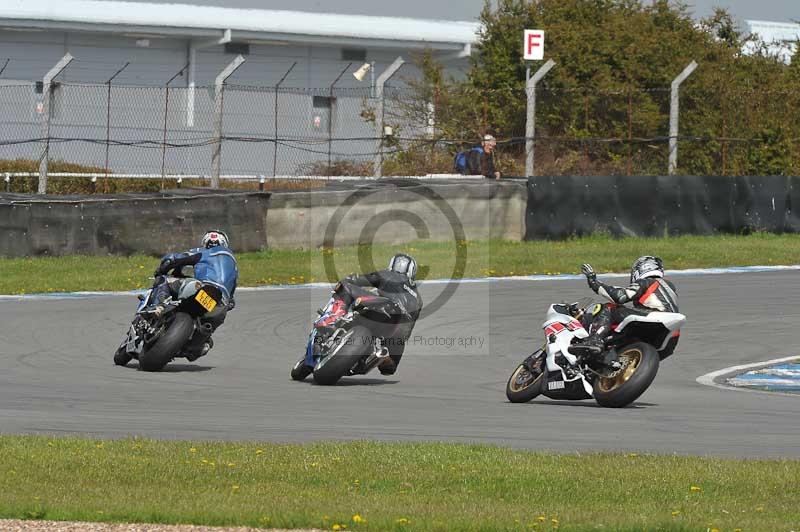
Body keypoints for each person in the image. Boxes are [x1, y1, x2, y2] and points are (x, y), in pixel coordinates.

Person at [148, 230, 238, 360]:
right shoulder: (234, 265)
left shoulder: (204, 251)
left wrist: (161, 270)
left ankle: (159, 306)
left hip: (203, 289)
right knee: (211, 326)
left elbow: (172, 259)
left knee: (164, 280)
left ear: (206, 242)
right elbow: (232, 301)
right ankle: (200, 343)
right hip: (219, 303)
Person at [329, 253, 423, 375]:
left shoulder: (388, 274)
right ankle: (382, 358)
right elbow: (408, 330)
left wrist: (347, 279)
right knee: (390, 367)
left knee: (345, 287)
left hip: (380, 308)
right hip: (398, 327)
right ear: (412, 272)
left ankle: (332, 319)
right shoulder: (418, 299)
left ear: (392, 265)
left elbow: (361, 280)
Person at [572, 256, 679, 356]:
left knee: (608, 308)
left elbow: (620, 296)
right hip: (671, 336)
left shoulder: (649, 282)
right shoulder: (669, 287)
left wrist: (594, 282)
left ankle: (594, 340)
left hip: (654, 317)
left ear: (642, 268)